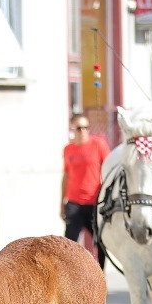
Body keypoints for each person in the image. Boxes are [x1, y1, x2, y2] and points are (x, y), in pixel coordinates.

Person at [61, 113, 109, 268]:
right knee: (68, 245)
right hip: (74, 203)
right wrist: (61, 203)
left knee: (100, 242)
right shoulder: (68, 149)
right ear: (72, 129)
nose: (83, 131)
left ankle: (101, 275)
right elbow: (66, 176)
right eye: (79, 128)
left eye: (86, 127)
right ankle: (69, 277)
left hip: (93, 202)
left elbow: (108, 170)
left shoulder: (98, 145)